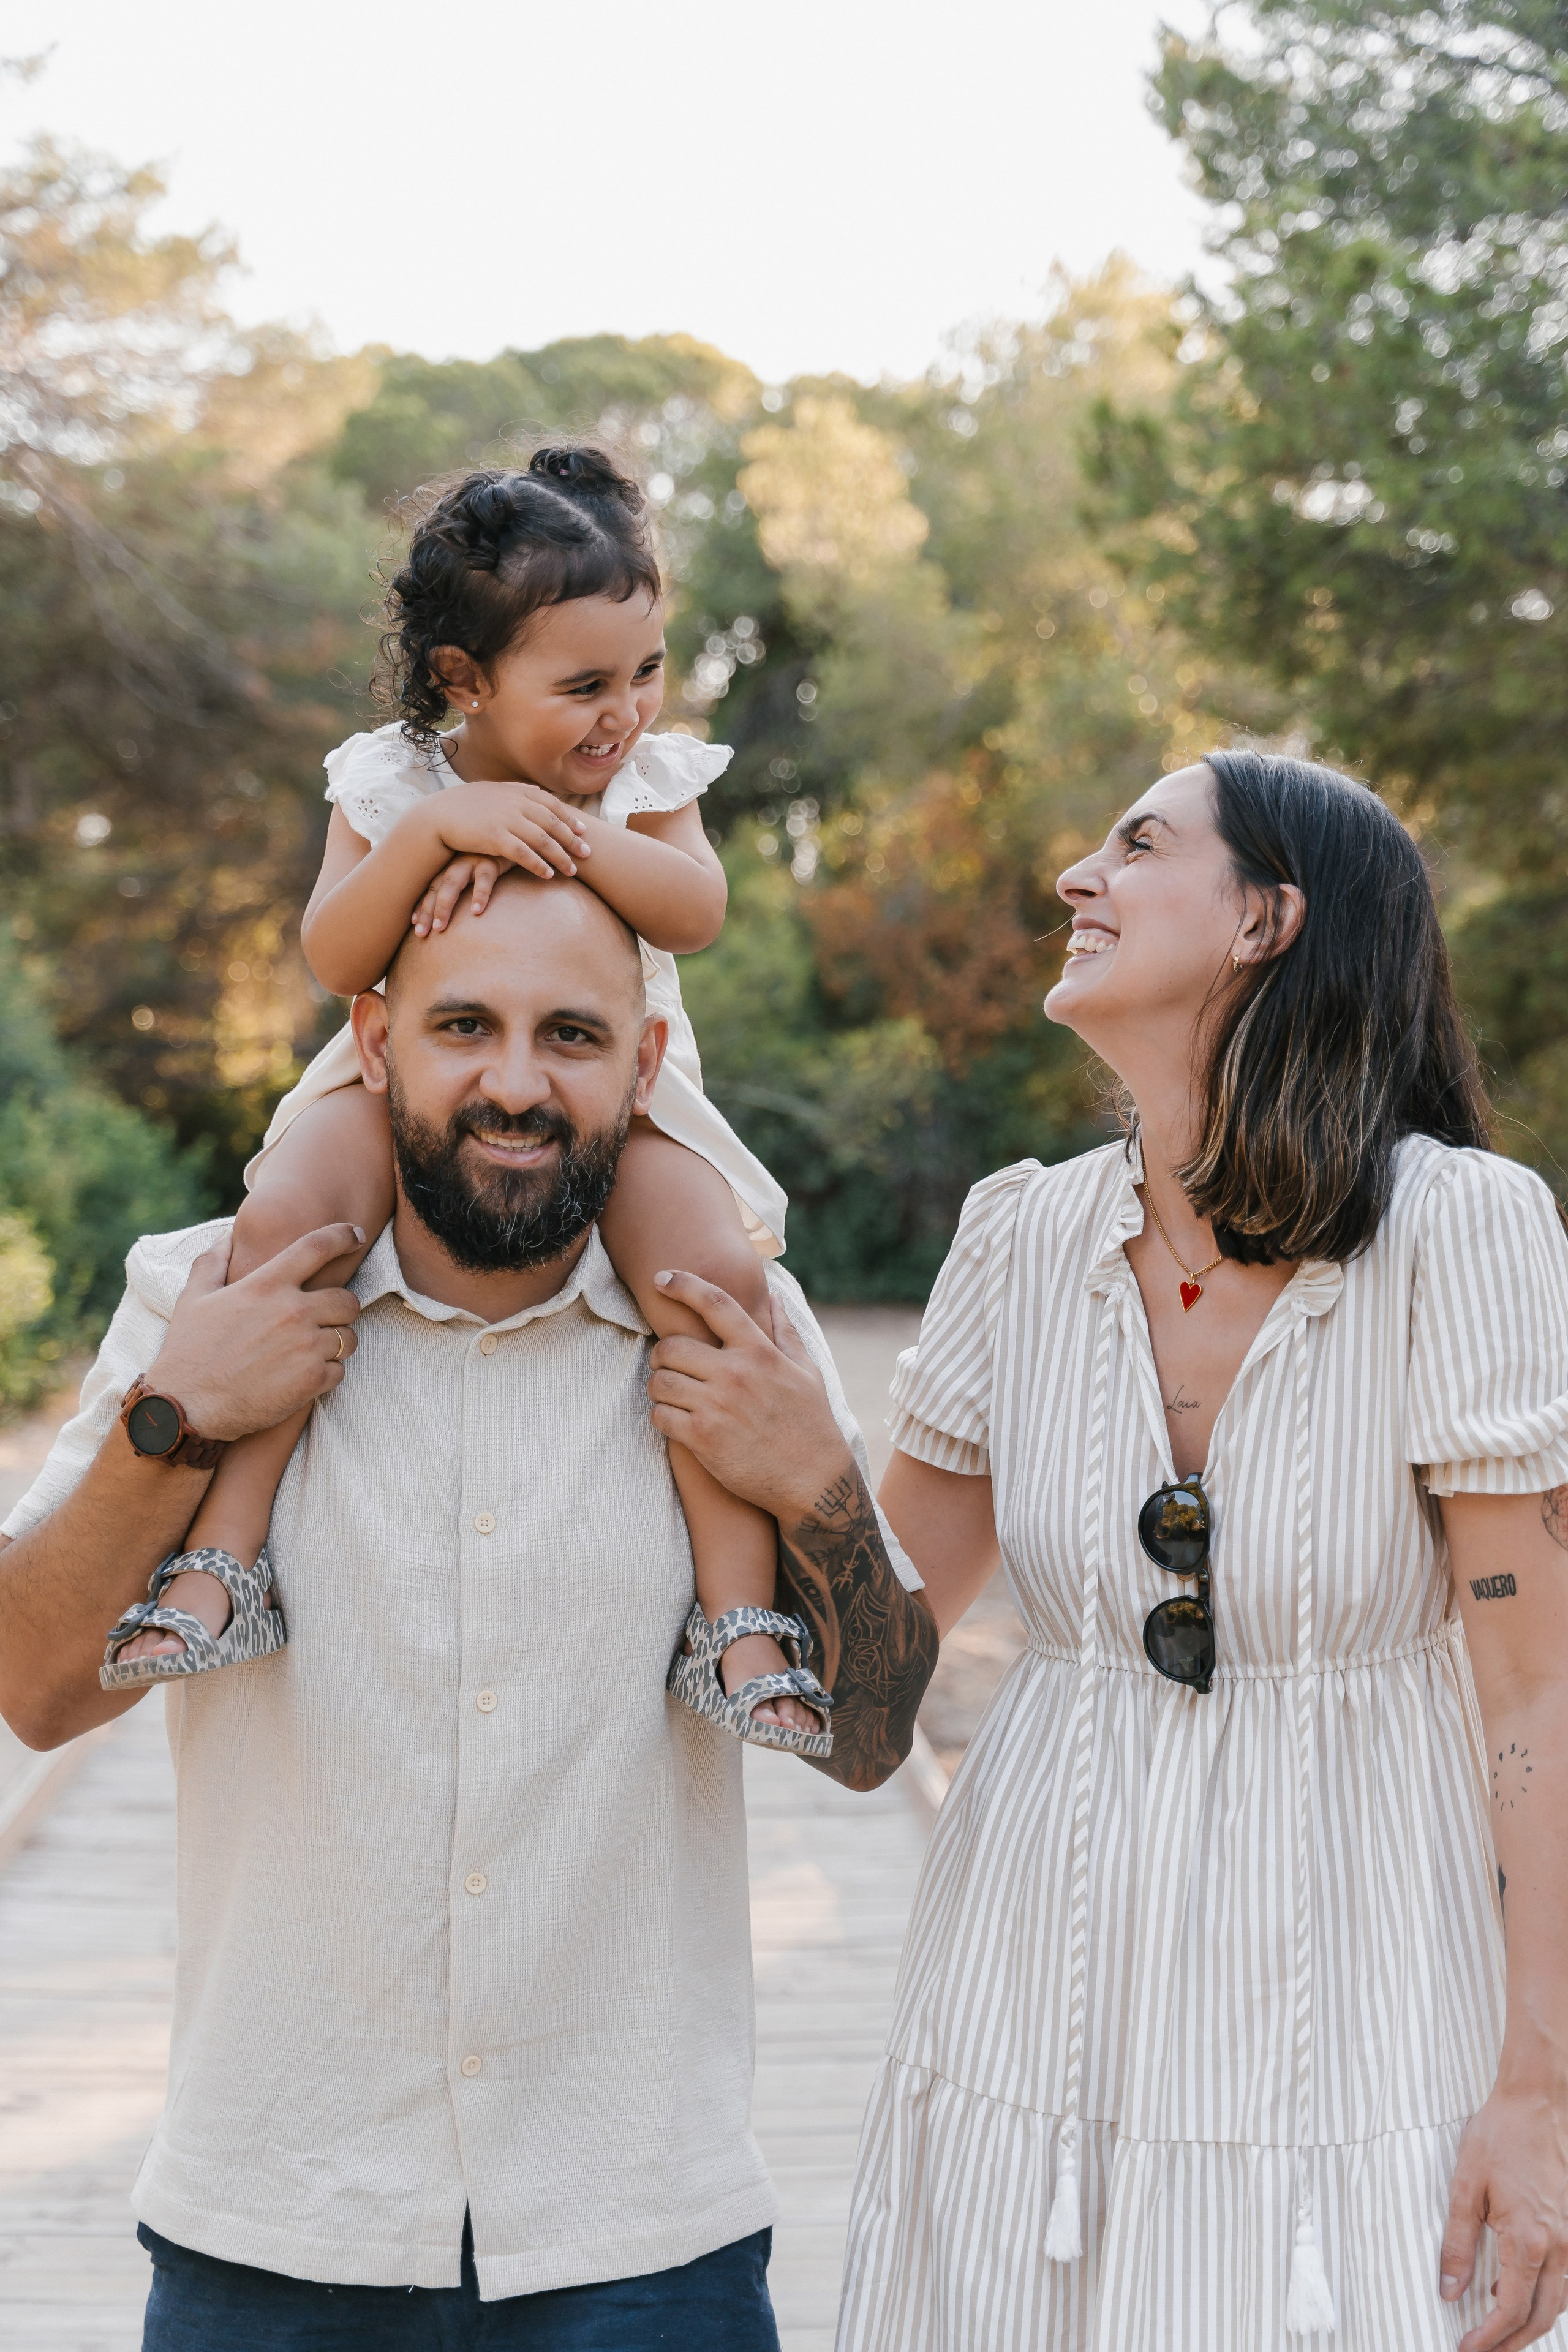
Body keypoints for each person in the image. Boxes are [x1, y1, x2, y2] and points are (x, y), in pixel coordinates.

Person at [649, 752, 1568, 2351]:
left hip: (1364, 1995)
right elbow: (872, 1709)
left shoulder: (1462, 1229)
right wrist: (806, 1477)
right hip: (1035, 2001)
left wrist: (1542, 2089)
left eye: (1136, 845)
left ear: (1270, 920)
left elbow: (1536, 1693)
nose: (1075, 877)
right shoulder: (1019, 1235)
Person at [0, 872, 921, 2347]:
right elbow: (38, 1687)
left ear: (645, 1063)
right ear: (373, 1046)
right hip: (271, 2226)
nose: (513, 1082)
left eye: (567, 1034)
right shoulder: (204, 1303)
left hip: (642, 2246)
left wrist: (813, 1484)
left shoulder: (739, 1330)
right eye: (463, 1027)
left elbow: (873, 1738)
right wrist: (176, 1413)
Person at [104, 443, 825, 1753]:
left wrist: (571, 832)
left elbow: (697, 911)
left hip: (624, 1096)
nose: (625, 712)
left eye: (646, 671)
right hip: (391, 1078)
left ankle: (738, 1622)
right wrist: (444, 832)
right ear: (465, 680)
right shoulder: (393, 782)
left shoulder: (643, 788)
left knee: (711, 1278)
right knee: (285, 1225)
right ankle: (224, 1558)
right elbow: (335, 956)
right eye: (586, 684)